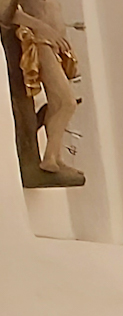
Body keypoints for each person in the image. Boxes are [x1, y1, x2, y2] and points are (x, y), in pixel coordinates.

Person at [4, 0, 83, 183]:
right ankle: (50, 157)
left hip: (54, 44)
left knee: (57, 104)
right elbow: (7, 12)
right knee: (67, 103)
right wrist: (42, 28)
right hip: (41, 42)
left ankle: (54, 157)